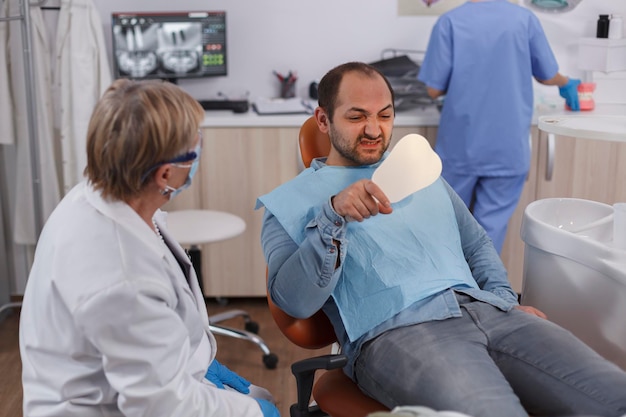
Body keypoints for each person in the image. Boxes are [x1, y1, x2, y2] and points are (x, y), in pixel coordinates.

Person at [257, 62, 626, 417]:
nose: (373, 130)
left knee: (615, 396)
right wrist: (333, 216)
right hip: (400, 333)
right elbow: (294, 302)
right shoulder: (289, 203)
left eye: (384, 116)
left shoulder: (420, 172)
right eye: (356, 117)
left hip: (488, 312)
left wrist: (504, 302)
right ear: (323, 120)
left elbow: (477, 245)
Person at [19, 79, 280, 417]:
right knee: (264, 407)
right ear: (165, 174)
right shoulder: (121, 274)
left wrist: (198, 360)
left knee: (258, 396)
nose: (200, 148)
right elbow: (163, 406)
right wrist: (255, 414)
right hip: (106, 407)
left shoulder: (105, 194)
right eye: (195, 145)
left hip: (137, 380)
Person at [417, 0, 581, 253]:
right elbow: (547, 74)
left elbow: (433, 88)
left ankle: (448, 290)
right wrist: (567, 82)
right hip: (507, 147)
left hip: (461, 147)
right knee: (488, 233)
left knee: (447, 225)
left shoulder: (450, 22)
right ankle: (482, 290)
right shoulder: (524, 20)